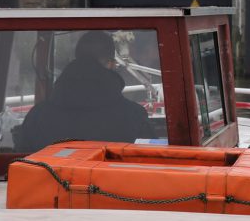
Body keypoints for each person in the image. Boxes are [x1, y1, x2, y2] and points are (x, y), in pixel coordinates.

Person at [15, 31, 151, 152]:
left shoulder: (37, 117)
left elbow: (21, 163)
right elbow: (151, 161)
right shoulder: (134, 116)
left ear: (76, 59)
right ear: (111, 64)